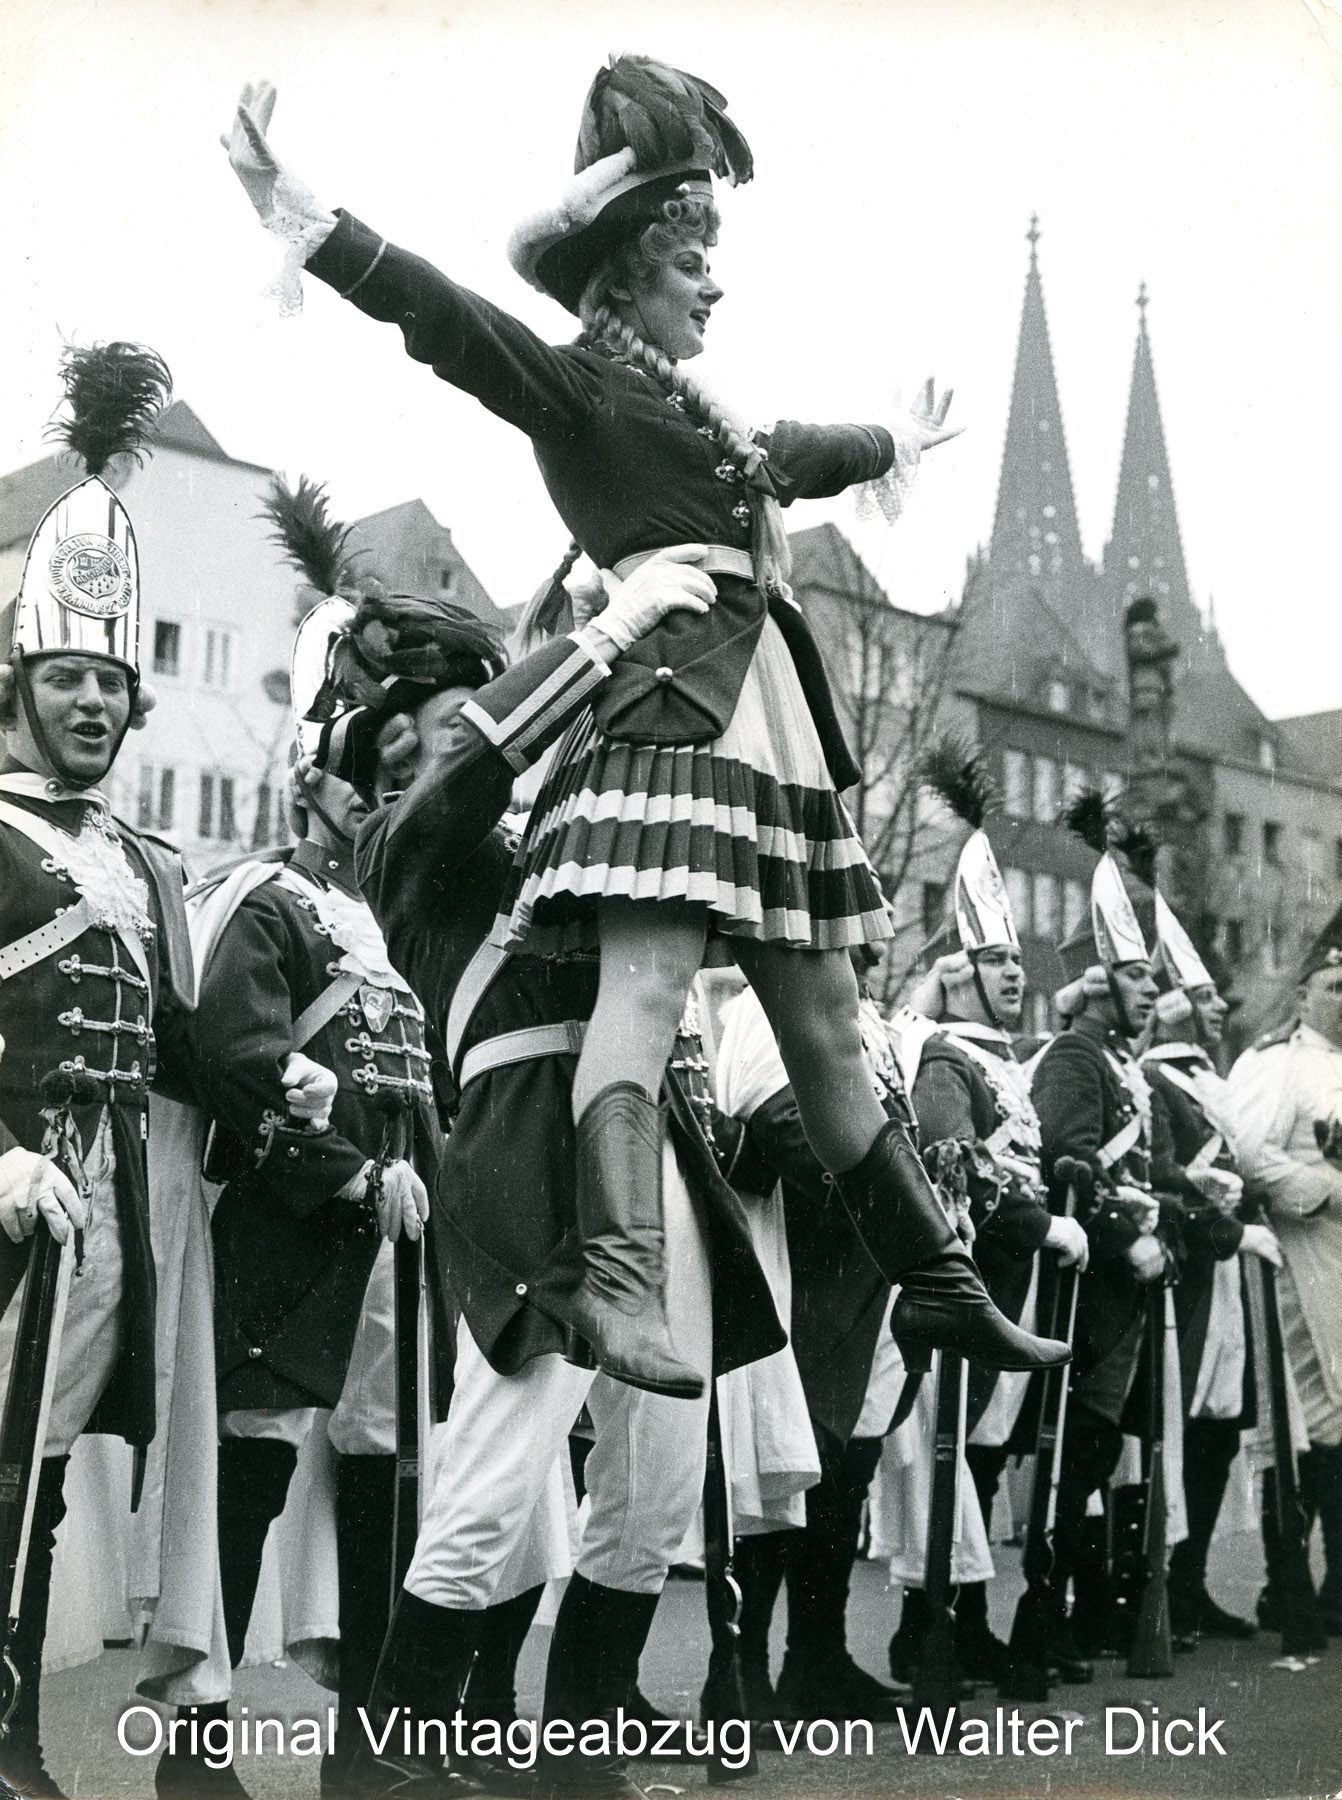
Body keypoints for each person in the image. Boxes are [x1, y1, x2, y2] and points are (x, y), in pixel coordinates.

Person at [221, 62, 1069, 1401]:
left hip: (767, 718)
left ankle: (938, 1286)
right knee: (650, 986)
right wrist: (305, 216)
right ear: (624, 273)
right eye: (687, 263)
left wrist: (892, 439)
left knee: (835, 1025)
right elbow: (442, 318)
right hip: (668, 713)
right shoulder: (576, 390)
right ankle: (617, 1282)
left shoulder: (708, 419)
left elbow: (803, 449)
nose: (710, 287)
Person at [314, 553, 787, 1800]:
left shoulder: (561, 817)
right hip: (525, 1152)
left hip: (647, 1142)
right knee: (499, 1465)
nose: (435, 755)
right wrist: (593, 642)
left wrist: (608, 628)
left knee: (658, 1472)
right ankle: (394, 1762)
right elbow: (471, 771)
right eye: (403, 744)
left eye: (456, 721)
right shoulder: (399, 848)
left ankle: (582, 1742)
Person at [151, 535, 448, 1796]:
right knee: (250, 1476)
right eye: (365, 782)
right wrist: (341, 1173)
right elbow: (240, 1056)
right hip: (293, 1227)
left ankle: (364, 1745)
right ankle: (194, 1743)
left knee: (385, 1481)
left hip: (393, 1248)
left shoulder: (387, 927)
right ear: (314, 781)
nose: (382, 805)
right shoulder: (268, 903)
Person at [0, 344, 204, 1796]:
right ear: (21, 683)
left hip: (108, 1199)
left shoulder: (144, 860)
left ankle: (11, 1727)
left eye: (108, 683)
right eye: (65, 676)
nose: (88, 703)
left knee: (47, 1466)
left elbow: (192, 1041)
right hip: (11, 1185)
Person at [885, 739, 1089, 1682]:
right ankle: (940, 1626)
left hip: (1018, 1285)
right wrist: (1036, 1226)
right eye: (992, 961)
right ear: (955, 971)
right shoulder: (945, 1058)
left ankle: (967, 1621)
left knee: (984, 1451)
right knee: (952, 1459)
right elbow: (949, 1165)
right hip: (973, 1281)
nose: (1012, 976)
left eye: (1015, 962)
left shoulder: (1001, 1058)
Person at [711, 944, 908, 1725]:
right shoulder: (772, 1007)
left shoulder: (860, 1020)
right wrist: (894, 1193)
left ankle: (816, 1659)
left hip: (862, 1280)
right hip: (800, 1271)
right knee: (784, 1476)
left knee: (843, 1477)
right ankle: (746, 1671)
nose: (879, 940)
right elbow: (784, 1125)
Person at [1029, 797, 1181, 1661]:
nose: (1150, 993)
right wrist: (1130, 1236)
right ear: (1097, 984)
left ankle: (1089, 1609)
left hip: (1129, 1287)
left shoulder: (1125, 1067)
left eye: (1152, 980)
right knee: (1080, 1448)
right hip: (1090, 1288)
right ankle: (1046, 1612)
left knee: (1105, 1451)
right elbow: (1067, 1159)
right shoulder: (1078, 1058)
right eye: (1136, 978)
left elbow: (1148, 1176)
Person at [1141, 892, 1279, 1642]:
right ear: (1168, 1008)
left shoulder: (1210, 1078)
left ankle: (1189, 1582)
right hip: (1191, 1272)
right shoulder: (1160, 1080)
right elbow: (1172, 1175)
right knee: (1182, 1424)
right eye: (1202, 997)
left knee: (1221, 1427)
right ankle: (1160, 1583)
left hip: (1225, 1274)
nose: (1218, 1008)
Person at [1227, 903, 1342, 1636]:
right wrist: (1319, 1187)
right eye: (1333, 989)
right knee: (1303, 1423)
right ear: (1303, 996)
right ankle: (1287, 1583)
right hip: (1298, 1260)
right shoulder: (1276, 1063)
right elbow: (1242, 1150)